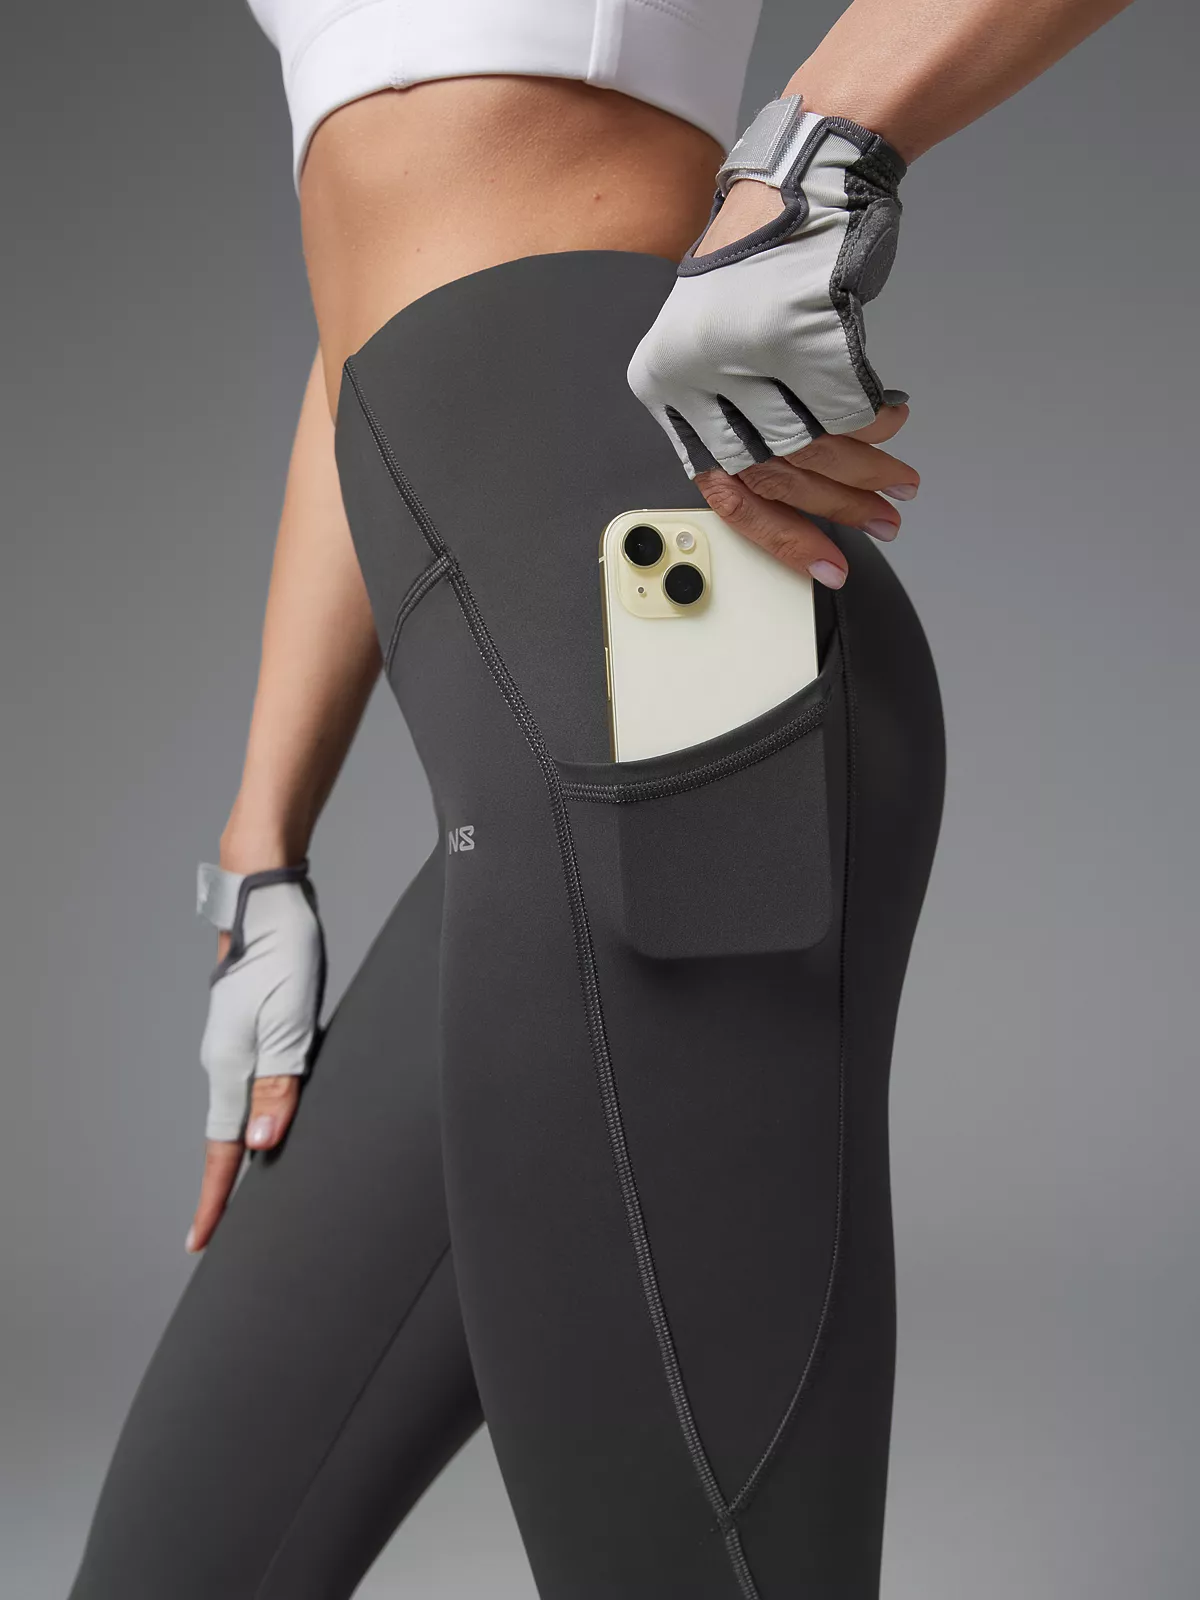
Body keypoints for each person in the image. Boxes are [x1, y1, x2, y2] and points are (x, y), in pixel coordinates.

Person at [67, 2, 1132, 1596]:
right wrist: (263, 841)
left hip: (672, 679)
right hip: (546, 744)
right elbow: (365, 328)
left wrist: (817, 147)